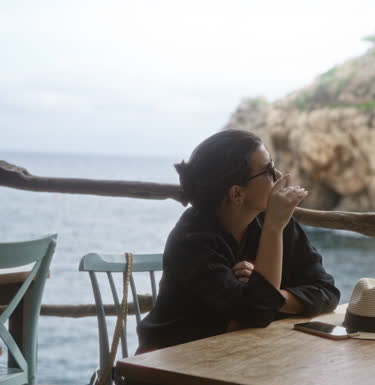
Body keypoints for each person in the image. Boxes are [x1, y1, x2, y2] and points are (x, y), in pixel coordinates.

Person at [137, 129, 340, 352]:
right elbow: (258, 313)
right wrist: (273, 229)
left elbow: (327, 291)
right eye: (268, 170)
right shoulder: (193, 240)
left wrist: (272, 295)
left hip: (236, 356)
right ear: (236, 194)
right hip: (167, 366)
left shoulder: (268, 221)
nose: (279, 176)